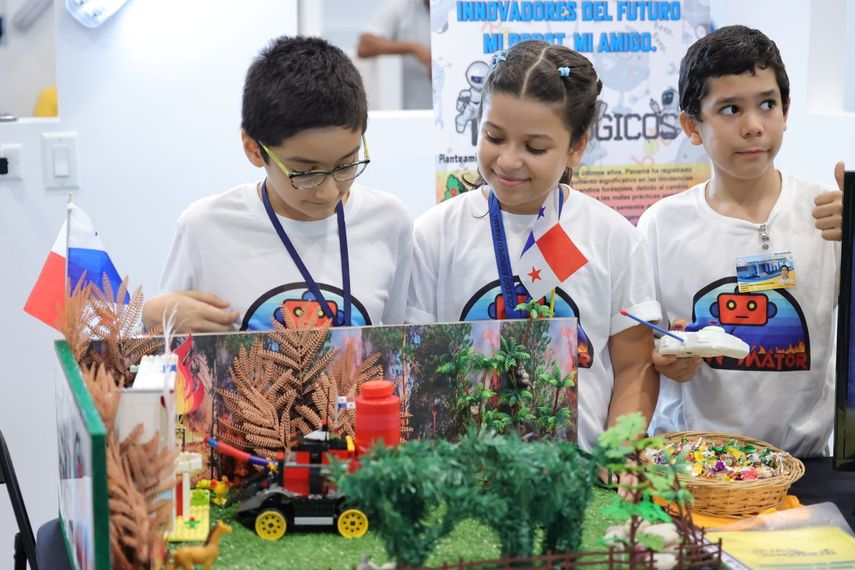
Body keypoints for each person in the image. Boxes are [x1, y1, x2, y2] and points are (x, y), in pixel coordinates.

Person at [407, 40, 661, 451]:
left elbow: (635, 367)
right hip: (465, 475)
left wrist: (621, 452)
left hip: (580, 475)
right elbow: (419, 365)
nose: (508, 160)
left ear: (577, 146)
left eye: (535, 148)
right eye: (494, 136)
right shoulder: (434, 234)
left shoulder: (614, 238)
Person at [638, 25, 846, 458]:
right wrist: (665, 362)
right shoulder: (661, 226)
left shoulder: (829, 214)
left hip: (804, 464)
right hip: (691, 466)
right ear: (692, 126)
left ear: (786, 110)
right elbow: (639, 354)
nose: (753, 127)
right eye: (730, 109)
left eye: (767, 105)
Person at [143, 36, 413, 333]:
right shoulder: (205, 228)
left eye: (346, 164)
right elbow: (164, 347)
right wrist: (152, 318)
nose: (329, 191)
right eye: (305, 172)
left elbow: (397, 346)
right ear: (254, 149)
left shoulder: (389, 220)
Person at [357, 0, 431, 110]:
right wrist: (413, 48)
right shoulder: (401, 6)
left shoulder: (462, 7)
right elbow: (364, 46)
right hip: (409, 110)